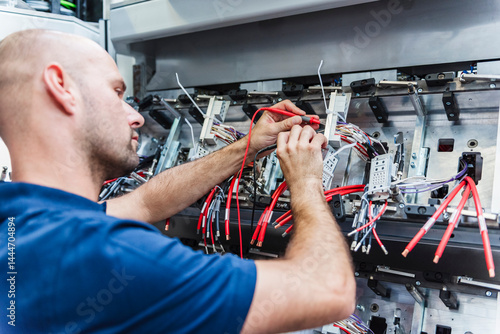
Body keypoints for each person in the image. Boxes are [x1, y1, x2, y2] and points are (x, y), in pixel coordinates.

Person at [0, 29, 355, 333]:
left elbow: (145, 203)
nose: (136, 117)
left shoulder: (23, 222)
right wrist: (307, 182)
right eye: (116, 93)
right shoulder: (109, 255)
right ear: (61, 87)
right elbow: (330, 290)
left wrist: (246, 148)